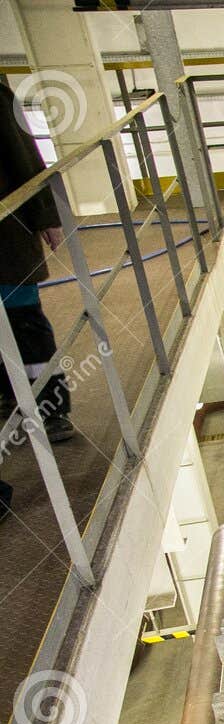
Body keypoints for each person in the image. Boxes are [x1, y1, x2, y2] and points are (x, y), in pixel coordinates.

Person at [0, 78, 78, 518]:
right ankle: (10, 397)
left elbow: (24, 157)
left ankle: (50, 408)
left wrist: (45, 214)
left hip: (5, 243)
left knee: (24, 325)